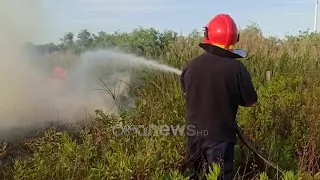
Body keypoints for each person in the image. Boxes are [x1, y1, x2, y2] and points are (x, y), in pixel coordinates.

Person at [180, 14, 258, 180]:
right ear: (234, 38)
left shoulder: (191, 65)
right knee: (219, 176)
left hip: (194, 135)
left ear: (208, 34)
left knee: (195, 176)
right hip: (220, 138)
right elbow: (251, 102)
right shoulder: (237, 69)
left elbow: (186, 92)